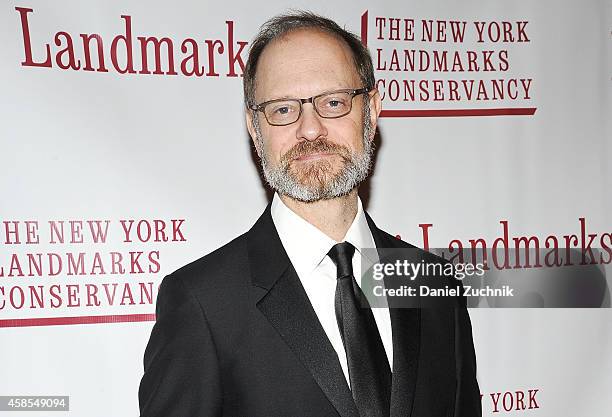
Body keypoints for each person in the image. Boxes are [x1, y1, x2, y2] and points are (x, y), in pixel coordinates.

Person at [138, 11, 481, 417]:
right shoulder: (203, 304)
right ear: (254, 126)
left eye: (333, 102)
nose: (310, 128)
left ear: (371, 110)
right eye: (283, 109)